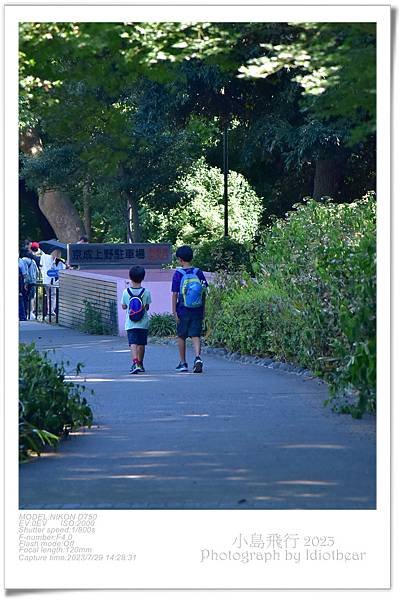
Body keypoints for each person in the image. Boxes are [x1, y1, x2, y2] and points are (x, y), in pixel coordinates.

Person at [171, 245, 208, 373]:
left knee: (181, 336)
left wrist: (174, 312)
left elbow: (175, 294)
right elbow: (203, 291)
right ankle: (198, 357)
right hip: (197, 309)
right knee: (195, 335)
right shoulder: (198, 272)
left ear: (180, 259)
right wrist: (203, 309)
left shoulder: (178, 274)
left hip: (182, 309)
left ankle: (183, 363)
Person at [121, 266, 152, 375]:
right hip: (143, 323)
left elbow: (124, 306)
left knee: (133, 343)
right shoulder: (146, 292)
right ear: (143, 278)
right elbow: (147, 307)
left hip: (130, 323)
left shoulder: (126, 292)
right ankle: (141, 363)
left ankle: (135, 363)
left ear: (130, 277)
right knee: (142, 344)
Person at [21, 252, 39, 319]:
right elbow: (37, 272)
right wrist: (35, 279)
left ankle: (25, 313)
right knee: (32, 297)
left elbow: (25, 272)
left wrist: (25, 282)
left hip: (27, 282)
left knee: (24, 298)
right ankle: (31, 313)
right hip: (33, 282)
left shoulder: (23, 260)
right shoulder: (33, 261)